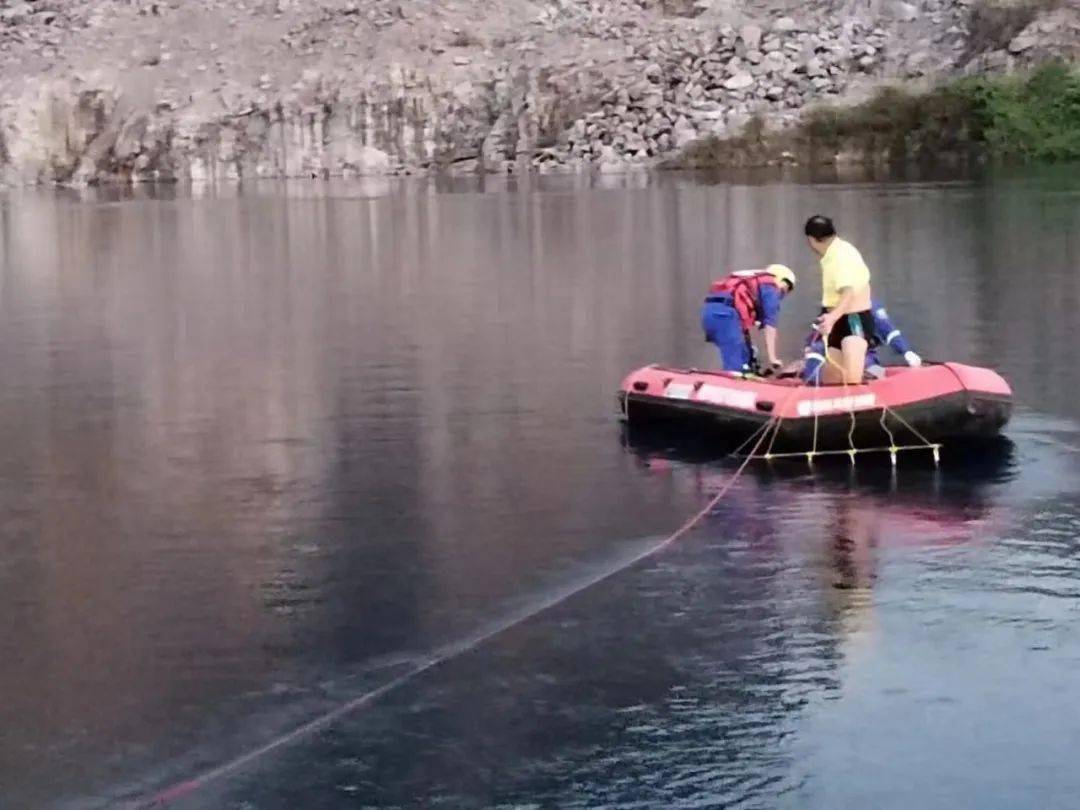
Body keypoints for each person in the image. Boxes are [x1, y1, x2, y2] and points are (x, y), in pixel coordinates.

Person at [804, 215, 873, 384]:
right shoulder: (834, 253)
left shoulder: (840, 256)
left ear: (812, 239)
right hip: (837, 321)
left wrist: (832, 317)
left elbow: (848, 292)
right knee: (833, 379)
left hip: (854, 320)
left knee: (851, 379)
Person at [701, 264, 797, 374]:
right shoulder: (771, 287)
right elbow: (770, 324)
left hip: (709, 313)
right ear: (781, 279)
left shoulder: (753, 281)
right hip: (725, 315)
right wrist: (772, 358)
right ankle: (736, 384)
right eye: (786, 289)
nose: (783, 294)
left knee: (746, 355)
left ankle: (744, 372)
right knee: (735, 366)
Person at [800, 299, 923, 384]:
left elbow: (889, 332)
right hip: (835, 354)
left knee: (865, 366)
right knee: (816, 351)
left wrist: (906, 351)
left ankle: (865, 381)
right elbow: (816, 335)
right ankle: (813, 386)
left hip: (865, 357)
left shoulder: (870, 307)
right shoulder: (832, 305)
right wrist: (809, 349)